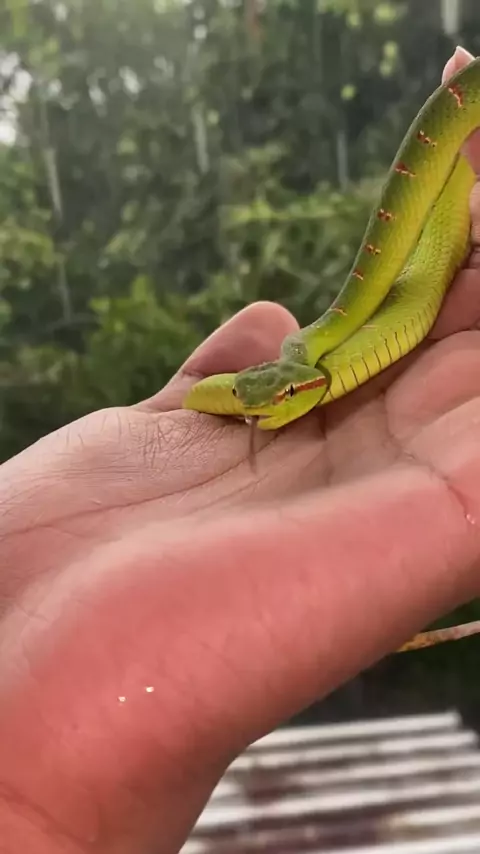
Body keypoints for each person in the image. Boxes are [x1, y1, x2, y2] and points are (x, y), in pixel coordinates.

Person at [1, 45, 480, 854]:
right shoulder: (286, 372)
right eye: (274, 406)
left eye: (284, 400)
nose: (280, 415)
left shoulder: (314, 354)